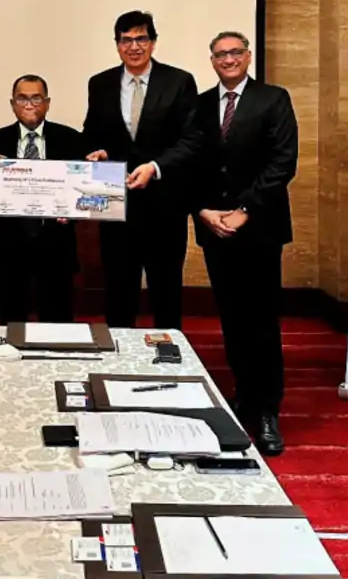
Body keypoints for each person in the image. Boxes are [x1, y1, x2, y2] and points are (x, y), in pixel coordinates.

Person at [133, 31, 297, 456]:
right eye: (221, 54)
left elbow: (283, 163)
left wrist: (244, 210)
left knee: (262, 321)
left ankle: (268, 410)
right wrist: (201, 209)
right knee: (232, 319)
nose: (228, 59)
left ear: (248, 56)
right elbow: (190, 159)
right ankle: (243, 396)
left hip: (258, 227)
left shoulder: (273, 99)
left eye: (235, 52)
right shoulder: (202, 104)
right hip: (214, 227)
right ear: (212, 61)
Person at [83, 10, 198, 330]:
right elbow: (92, 132)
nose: (134, 46)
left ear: (153, 42)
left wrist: (155, 167)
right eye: (126, 40)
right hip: (116, 203)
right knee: (118, 290)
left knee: (166, 290)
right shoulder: (100, 83)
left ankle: (170, 352)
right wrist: (98, 151)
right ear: (117, 44)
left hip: (165, 204)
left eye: (141, 39)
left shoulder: (178, 82)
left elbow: (191, 139)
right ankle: (120, 350)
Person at [0, 75, 87, 324]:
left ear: (47, 103)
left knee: (58, 325)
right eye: (22, 98)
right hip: (10, 248)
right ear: (12, 104)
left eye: (36, 98)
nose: (29, 105)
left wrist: (73, 211)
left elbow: (82, 191)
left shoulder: (71, 139)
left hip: (57, 246)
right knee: (12, 324)